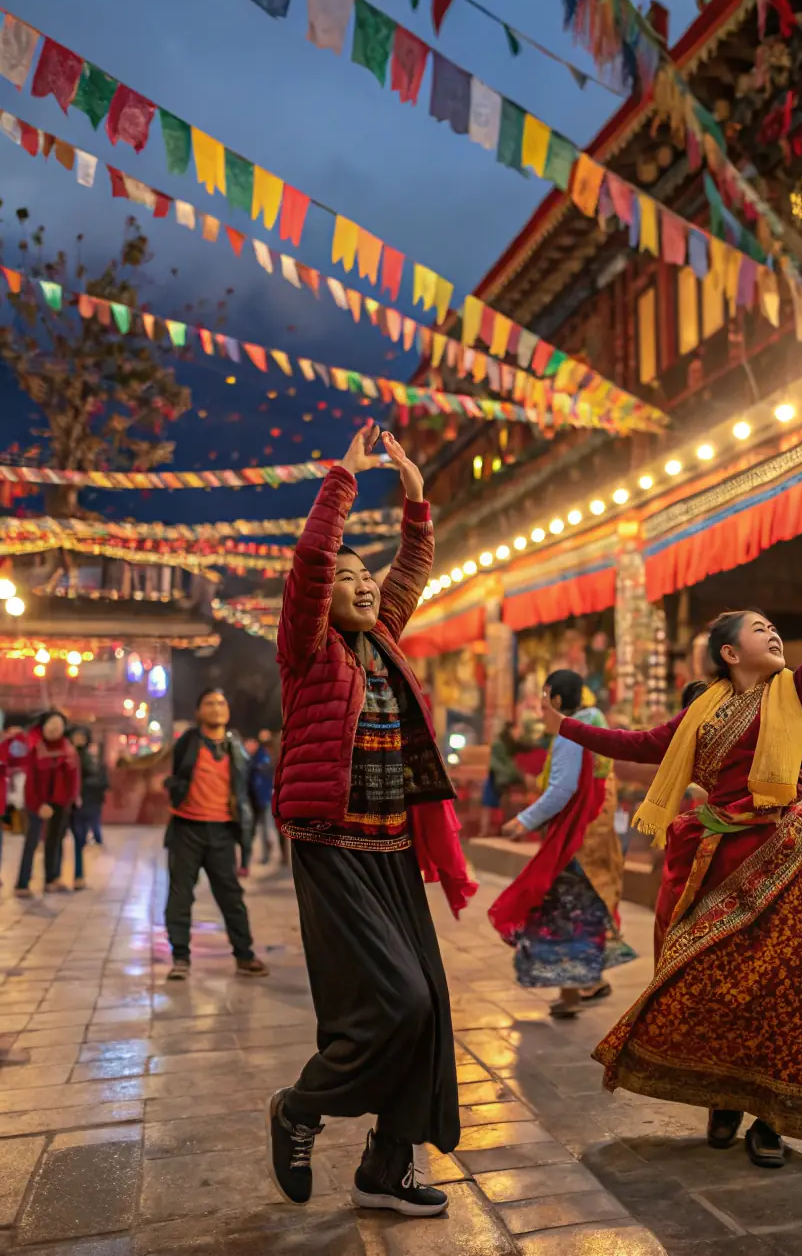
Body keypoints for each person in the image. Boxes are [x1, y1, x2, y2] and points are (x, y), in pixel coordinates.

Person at [541, 496, 802, 1168]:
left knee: (780, 987)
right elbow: (631, 740)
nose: (775, 634)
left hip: (782, 856)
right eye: (761, 628)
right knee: (710, 978)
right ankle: (723, 1096)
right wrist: (565, 726)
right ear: (727, 650)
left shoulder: (798, 695)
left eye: (775, 628)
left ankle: (771, 1115)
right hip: (715, 858)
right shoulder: (700, 717)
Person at [266, 422, 476, 1219]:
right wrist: (342, 484)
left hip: (389, 850)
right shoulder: (308, 652)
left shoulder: (383, 640)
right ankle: (302, 1107)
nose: (359, 584)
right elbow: (314, 565)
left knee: (427, 1007)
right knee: (397, 1003)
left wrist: (416, 498)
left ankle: (386, 1168)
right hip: (332, 848)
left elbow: (412, 567)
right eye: (348, 576)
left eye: (367, 577)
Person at [490, 671, 637, 1019]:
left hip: (576, 840)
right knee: (584, 911)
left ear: (556, 700)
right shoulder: (596, 724)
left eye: (544, 697)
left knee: (565, 914)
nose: (540, 707)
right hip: (597, 836)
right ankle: (585, 985)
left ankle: (575, 990)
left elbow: (562, 789)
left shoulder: (572, 734)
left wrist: (523, 820)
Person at [163, 690, 265, 981]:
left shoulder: (237, 749)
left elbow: (245, 791)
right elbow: (174, 772)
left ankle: (244, 956)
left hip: (222, 831)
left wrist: (246, 837)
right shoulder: (187, 742)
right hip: (186, 829)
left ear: (228, 712)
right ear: (198, 712)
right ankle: (180, 957)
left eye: (222, 703)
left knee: (231, 896)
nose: (216, 708)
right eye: (209, 703)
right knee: (180, 895)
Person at [12, 710, 80, 896]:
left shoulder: (68, 750)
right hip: (37, 803)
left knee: (55, 841)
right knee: (32, 841)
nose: (54, 729)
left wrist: (70, 800)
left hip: (60, 802)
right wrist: (38, 805)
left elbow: (73, 778)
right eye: (51, 725)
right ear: (43, 727)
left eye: (58, 726)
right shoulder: (36, 748)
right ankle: (22, 884)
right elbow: (31, 781)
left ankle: (52, 879)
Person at [67, 726, 108, 891]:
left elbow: (103, 781)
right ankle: (54, 876)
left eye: (81, 736)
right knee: (58, 841)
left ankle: (78, 876)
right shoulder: (67, 755)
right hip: (66, 802)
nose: (78, 739)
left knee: (79, 839)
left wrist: (83, 790)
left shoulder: (91, 758)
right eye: (75, 735)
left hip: (84, 803)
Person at [479, 721, 524, 837]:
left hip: (504, 778)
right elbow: (497, 763)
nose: (517, 733)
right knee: (489, 804)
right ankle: (485, 830)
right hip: (496, 777)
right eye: (516, 730)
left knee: (504, 803)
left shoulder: (510, 744)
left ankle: (503, 829)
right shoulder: (499, 744)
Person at [248, 729, 279, 864]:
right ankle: (267, 853)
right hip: (260, 797)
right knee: (265, 828)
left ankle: (268, 853)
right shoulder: (260, 755)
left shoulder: (268, 756)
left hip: (267, 796)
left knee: (267, 827)